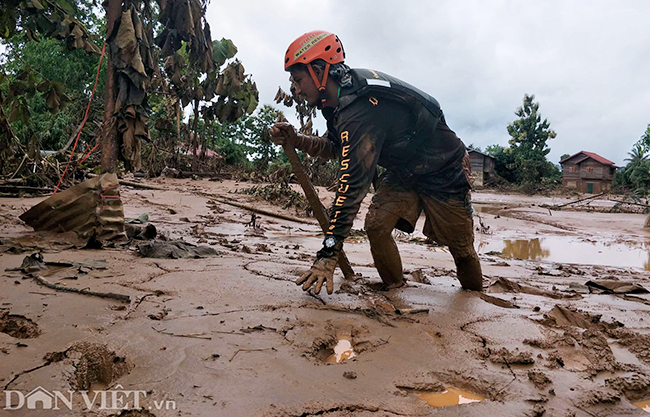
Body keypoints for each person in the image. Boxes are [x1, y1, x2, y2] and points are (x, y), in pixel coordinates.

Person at [270, 30, 483, 295]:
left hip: (444, 168)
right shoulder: (337, 104)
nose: (296, 89)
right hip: (403, 170)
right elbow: (336, 148)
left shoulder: (361, 107)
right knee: (377, 226)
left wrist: (328, 254)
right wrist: (298, 139)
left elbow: (352, 186)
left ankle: (475, 301)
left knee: (460, 248)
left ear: (319, 71)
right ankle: (395, 292)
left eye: (299, 80)